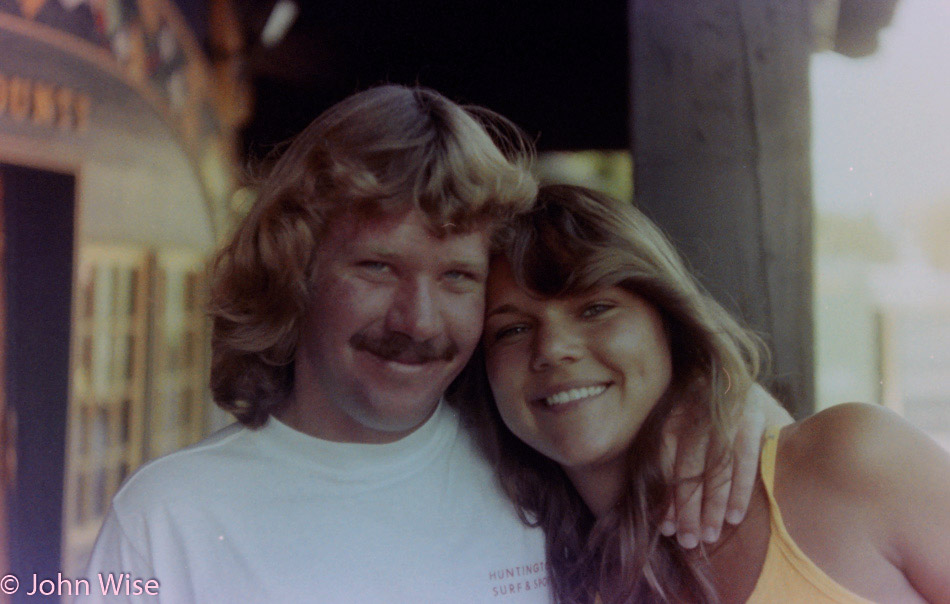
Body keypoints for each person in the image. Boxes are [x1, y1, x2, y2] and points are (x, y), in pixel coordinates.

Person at [82, 86, 783, 603]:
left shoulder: (536, 463)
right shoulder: (170, 516)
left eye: (457, 277)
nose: (417, 321)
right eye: (377, 267)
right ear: (295, 271)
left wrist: (737, 400)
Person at [465, 183, 950, 603]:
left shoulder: (851, 458)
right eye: (510, 330)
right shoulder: (537, 578)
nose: (552, 349)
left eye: (595, 308)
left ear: (669, 323)